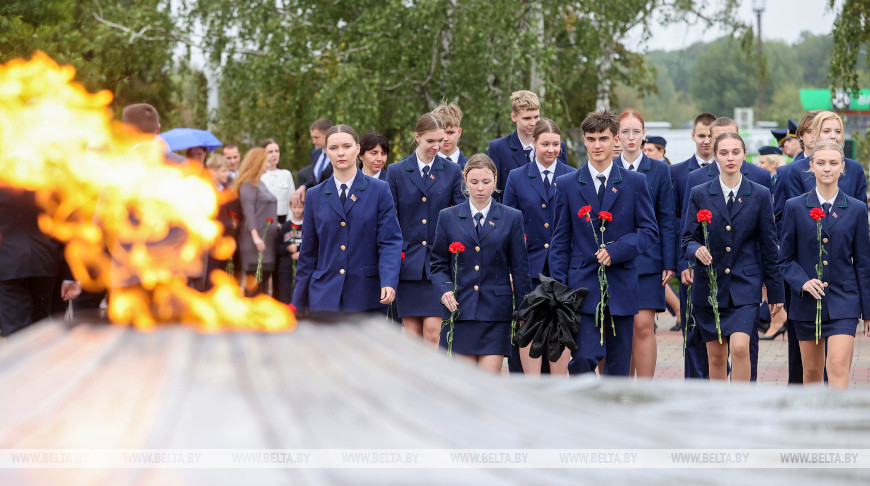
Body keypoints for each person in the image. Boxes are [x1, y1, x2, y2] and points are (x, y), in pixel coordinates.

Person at [549, 110, 658, 377]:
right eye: (591, 138)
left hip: (621, 286)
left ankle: (615, 415)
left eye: (604, 138)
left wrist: (617, 250)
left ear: (615, 141)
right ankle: (584, 412)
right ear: (583, 141)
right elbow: (560, 241)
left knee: (618, 368)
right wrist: (559, 293)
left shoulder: (635, 182)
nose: (597, 145)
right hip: (581, 287)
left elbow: (648, 232)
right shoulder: (567, 184)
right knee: (583, 357)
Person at [682, 132, 784, 382]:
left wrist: (775, 291)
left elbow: (769, 246)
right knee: (715, 356)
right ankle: (720, 411)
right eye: (724, 153)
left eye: (735, 152)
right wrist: (696, 249)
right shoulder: (699, 193)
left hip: (745, 286)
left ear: (744, 155)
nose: (730, 158)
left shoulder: (759, 194)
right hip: (710, 286)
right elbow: (686, 239)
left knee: (739, 347)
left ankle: (742, 407)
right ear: (715, 156)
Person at [779, 139, 870, 389]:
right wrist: (802, 281)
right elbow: (784, 259)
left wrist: (868, 311)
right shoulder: (795, 207)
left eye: (833, 163)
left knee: (838, 366)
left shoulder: (857, 209)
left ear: (843, 167)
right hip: (806, 304)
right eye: (821, 163)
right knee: (811, 371)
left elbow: (863, 263)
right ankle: (814, 425)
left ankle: (837, 423)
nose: (827, 168)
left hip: (844, 301)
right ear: (811, 166)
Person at [430, 154, 532, 373]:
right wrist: (445, 290)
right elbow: (437, 263)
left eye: (486, 182)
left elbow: (520, 269)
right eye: (474, 182)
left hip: (496, 313)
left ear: (495, 180)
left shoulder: (512, 217)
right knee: (464, 386)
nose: (480, 188)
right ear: (464, 180)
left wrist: (524, 312)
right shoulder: (448, 217)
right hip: (460, 310)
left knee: (488, 385)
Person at [292, 125, 402, 315]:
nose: (340, 153)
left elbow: (390, 241)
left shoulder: (379, 190)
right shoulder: (314, 195)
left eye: (347, 146)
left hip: (366, 295)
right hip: (324, 296)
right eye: (333, 148)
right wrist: (297, 303)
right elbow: (308, 253)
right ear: (326, 152)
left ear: (358, 149)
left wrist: (389, 281)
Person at [503, 118, 574, 375]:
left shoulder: (572, 175)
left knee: (560, 327)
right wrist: (511, 269)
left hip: (562, 269)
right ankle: (531, 388)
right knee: (529, 326)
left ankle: (557, 389)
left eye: (556, 144)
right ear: (534, 143)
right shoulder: (516, 177)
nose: (551, 150)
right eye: (545, 144)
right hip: (528, 267)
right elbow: (509, 227)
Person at [387, 113, 464, 345]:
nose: (437, 146)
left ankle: (430, 381)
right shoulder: (396, 171)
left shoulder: (452, 171)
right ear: (417, 137)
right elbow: (390, 218)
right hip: (407, 263)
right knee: (410, 333)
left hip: (438, 264)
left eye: (440, 140)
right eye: (431, 141)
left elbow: (459, 215)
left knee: (433, 331)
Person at [617, 110, 676, 379]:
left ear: (644, 134)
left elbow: (666, 218)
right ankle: (622, 388)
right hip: (616, 258)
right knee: (621, 327)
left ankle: (645, 387)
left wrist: (669, 261)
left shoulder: (659, 170)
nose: (631, 138)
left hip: (649, 259)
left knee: (643, 324)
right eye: (625, 132)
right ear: (617, 135)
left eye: (636, 132)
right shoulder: (609, 167)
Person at [0, 188, 80, 336]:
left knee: (16, 330)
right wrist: (70, 275)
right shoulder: (46, 182)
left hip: (8, 262)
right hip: (46, 259)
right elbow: (69, 229)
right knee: (41, 324)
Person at [669, 112, 717, 360]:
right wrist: (683, 264)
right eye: (701, 135)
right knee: (693, 330)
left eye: (711, 135)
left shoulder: (729, 169)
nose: (707, 140)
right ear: (693, 136)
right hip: (692, 264)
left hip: (722, 264)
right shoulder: (678, 173)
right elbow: (677, 223)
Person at [487, 90, 567, 203]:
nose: (533, 123)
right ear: (514, 117)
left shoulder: (557, 147)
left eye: (536, 117)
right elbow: (493, 193)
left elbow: (565, 183)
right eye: (527, 118)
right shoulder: (498, 148)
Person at [232, 147, 278, 296]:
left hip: (267, 241)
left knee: (263, 282)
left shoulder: (260, 183)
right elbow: (249, 211)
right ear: (258, 162)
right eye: (265, 160)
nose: (269, 162)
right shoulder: (248, 184)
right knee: (254, 283)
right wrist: (256, 237)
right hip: (255, 242)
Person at [292, 118, 334, 204]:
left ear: (327, 134)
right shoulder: (315, 153)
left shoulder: (339, 155)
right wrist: (304, 186)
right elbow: (316, 179)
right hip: (316, 204)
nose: (313, 141)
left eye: (316, 137)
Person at [259, 138, 295, 224]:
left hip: (284, 220)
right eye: (270, 152)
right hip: (265, 221)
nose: (274, 154)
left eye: (277, 151)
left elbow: (292, 201)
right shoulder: (259, 176)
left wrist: (288, 223)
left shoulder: (286, 174)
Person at [276, 199, 304, 305]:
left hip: (303, 266)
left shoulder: (308, 225)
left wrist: (301, 253)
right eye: (295, 207)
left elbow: (314, 244)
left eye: (300, 207)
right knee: (285, 291)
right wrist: (287, 248)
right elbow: (277, 246)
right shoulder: (286, 226)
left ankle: (301, 312)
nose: (297, 210)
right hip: (286, 266)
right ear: (290, 207)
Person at [433, 103, 469, 168]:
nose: (445, 138)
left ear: (459, 132)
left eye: (450, 133)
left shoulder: (472, 167)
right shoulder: (423, 166)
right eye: (441, 134)